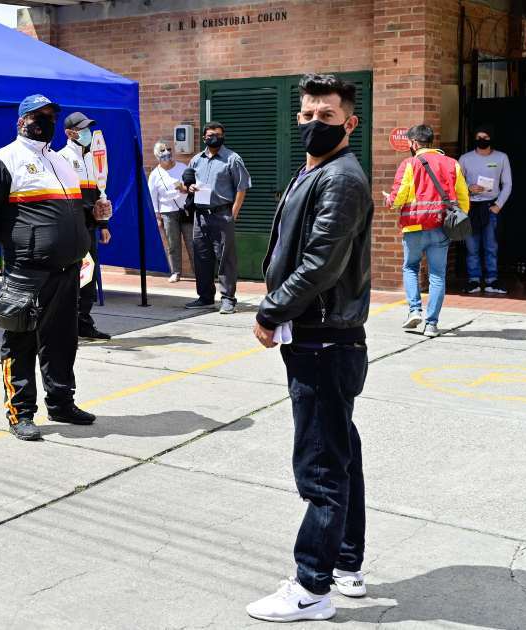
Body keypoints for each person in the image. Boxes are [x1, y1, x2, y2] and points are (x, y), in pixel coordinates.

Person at [248, 74, 373, 622]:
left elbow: (321, 263)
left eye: (326, 116)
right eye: (307, 115)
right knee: (340, 452)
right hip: (321, 337)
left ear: (350, 123)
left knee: (320, 465)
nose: (313, 124)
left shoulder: (341, 178)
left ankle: (311, 587)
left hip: (324, 339)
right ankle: (345, 562)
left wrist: (271, 310)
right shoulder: (316, 171)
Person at [0, 94, 95, 441]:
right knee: (20, 339)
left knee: (62, 340)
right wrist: (20, 242)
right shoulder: (3, 160)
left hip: (67, 269)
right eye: (37, 116)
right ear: (21, 121)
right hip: (28, 271)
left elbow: (70, 210)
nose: (45, 121)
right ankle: (21, 412)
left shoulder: (61, 161)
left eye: (50, 116)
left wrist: (92, 216)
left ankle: (61, 403)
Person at [386, 124, 470, 338]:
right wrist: (456, 218)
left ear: (414, 143)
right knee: (437, 275)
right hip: (441, 228)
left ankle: (414, 310)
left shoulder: (409, 164)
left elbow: (398, 197)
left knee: (410, 267)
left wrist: (390, 201)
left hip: (414, 226)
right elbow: (463, 197)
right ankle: (431, 324)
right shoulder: (452, 164)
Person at [181, 122, 250, 314]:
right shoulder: (196, 160)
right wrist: (189, 187)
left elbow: (242, 187)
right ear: (204, 138)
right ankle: (205, 297)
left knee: (225, 258)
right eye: (211, 135)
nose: (215, 138)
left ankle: (228, 299)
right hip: (200, 216)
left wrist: (233, 214)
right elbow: (186, 184)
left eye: (219, 135)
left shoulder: (232, 159)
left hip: (222, 214)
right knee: (201, 257)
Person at [57, 112, 114, 340]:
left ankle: (84, 323)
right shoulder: (60, 158)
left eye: (88, 128)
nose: (86, 132)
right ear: (69, 133)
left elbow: (99, 194)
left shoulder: (92, 158)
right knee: (70, 277)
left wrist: (104, 224)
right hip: (71, 229)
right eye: (82, 129)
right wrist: (88, 211)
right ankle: (65, 325)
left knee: (88, 276)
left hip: (89, 228)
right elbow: (62, 199)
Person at [458, 125, 512, 294]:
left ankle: (492, 280)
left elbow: (508, 184)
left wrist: (498, 205)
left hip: (490, 207)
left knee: (491, 247)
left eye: (486, 137)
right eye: (479, 137)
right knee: (472, 247)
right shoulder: (465, 159)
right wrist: (468, 188)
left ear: (491, 139)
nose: (482, 140)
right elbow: (456, 183)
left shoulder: (501, 157)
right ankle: (473, 280)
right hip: (471, 207)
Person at [147, 141, 189, 283]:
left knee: (192, 242)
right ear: (157, 156)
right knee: (173, 244)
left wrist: (184, 189)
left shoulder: (182, 168)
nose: (166, 153)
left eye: (168, 149)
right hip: (167, 213)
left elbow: (191, 186)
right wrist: (157, 216)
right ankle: (176, 272)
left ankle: (199, 272)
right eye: (162, 150)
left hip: (185, 211)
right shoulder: (155, 174)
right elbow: (153, 197)